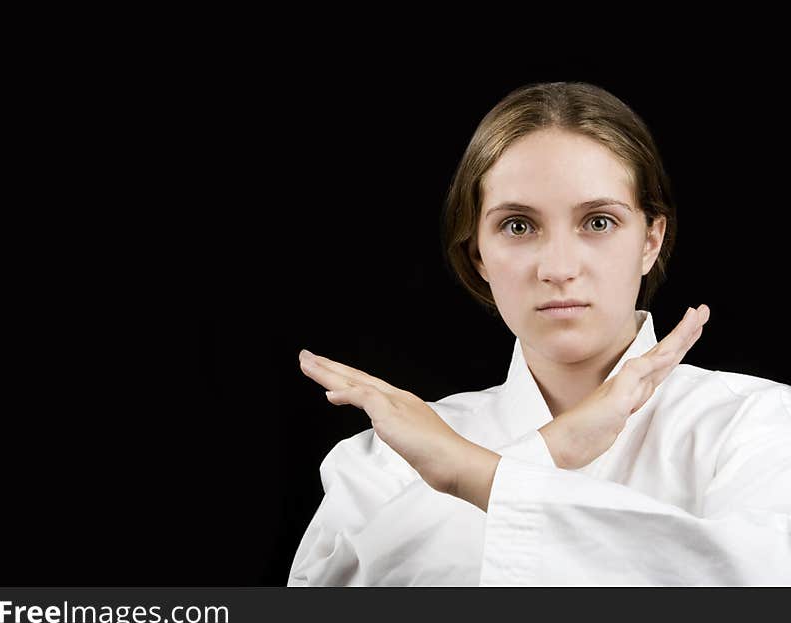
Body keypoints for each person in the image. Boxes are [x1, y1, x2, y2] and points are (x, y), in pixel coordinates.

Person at [286, 81, 791, 586]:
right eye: (519, 226)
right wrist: (554, 447)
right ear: (477, 254)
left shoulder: (757, 424)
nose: (558, 267)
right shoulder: (384, 459)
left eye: (597, 222)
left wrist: (475, 474)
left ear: (650, 239)